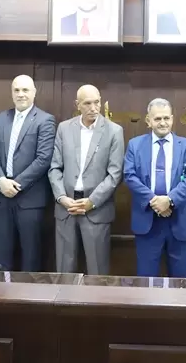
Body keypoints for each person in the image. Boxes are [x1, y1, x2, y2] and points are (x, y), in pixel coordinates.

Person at [48, 85, 125, 275]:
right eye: (87, 103)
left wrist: (92, 201)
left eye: (97, 102)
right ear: (78, 105)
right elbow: (55, 168)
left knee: (97, 272)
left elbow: (115, 174)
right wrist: (61, 197)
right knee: (64, 271)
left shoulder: (114, 131)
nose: (93, 108)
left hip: (96, 209)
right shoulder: (64, 128)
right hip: (66, 208)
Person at [0, 74, 56, 272]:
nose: (21, 94)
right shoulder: (0, 119)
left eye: (25, 90)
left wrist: (16, 184)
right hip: (0, 197)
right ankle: (2, 291)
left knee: (30, 257)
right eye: (16, 90)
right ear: (12, 93)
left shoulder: (45, 120)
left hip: (29, 199)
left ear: (34, 92)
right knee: (2, 259)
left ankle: (28, 293)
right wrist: (1, 181)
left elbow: (43, 158)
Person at [123, 98, 186, 277]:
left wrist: (169, 200)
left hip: (179, 221)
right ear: (148, 120)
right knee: (146, 280)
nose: (163, 123)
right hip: (147, 222)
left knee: (180, 281)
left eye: (166, 118)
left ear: (172, 119)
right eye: (157, 119)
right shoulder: (135, 145)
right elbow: (129, 176)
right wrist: (155, 201)